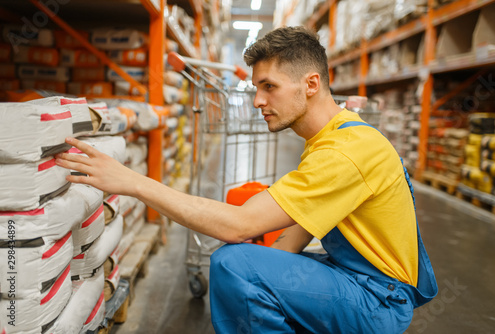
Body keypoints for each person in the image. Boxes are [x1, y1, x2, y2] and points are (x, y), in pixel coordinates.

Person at [56, 26, 437, 333]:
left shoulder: (344, 151)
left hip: (376, 300)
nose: (257, 100)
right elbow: (304, 226)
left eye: (268, 86)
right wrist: (266, 271)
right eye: (257, 88)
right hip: (359, 278)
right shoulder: (335, 135)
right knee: (250, 264)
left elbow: (239, 227)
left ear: (310, 83)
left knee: (233, 264)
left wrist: (133, 181)